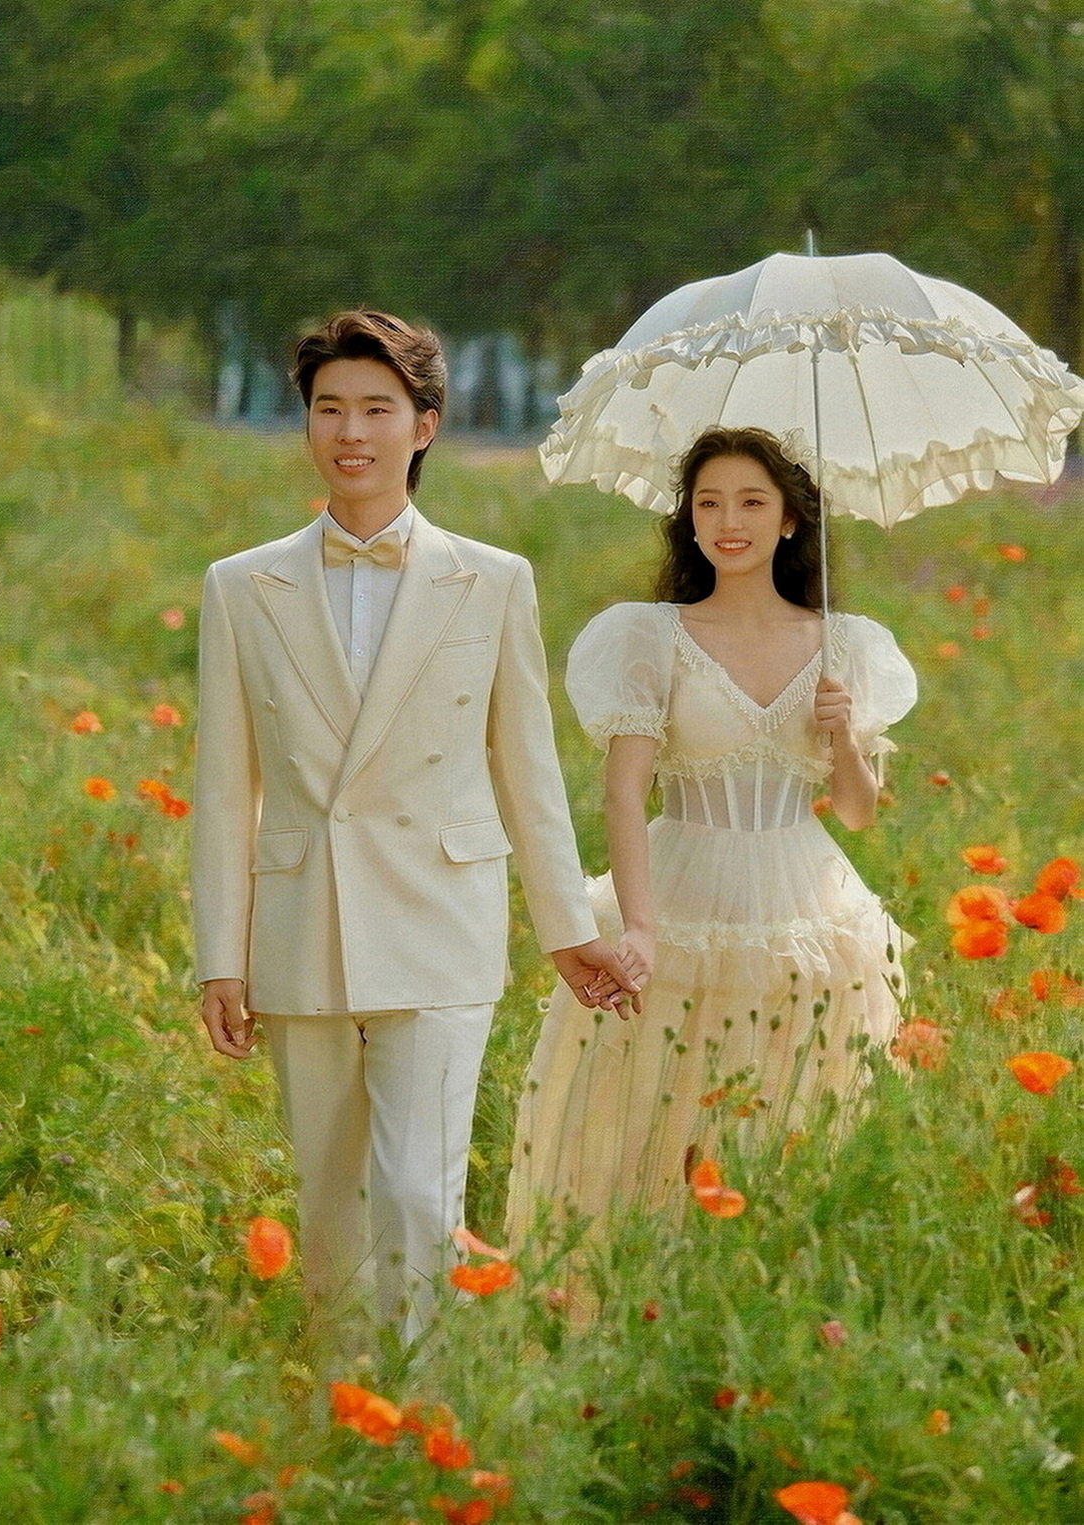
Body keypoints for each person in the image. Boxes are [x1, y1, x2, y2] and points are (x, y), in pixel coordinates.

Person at [191, 309, 634, 1350]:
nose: (351, 432)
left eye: (377, 409)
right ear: (307, 422)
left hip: (441, 922)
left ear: (424, 425)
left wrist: (568, 928)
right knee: (329, 1204)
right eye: (329, 408)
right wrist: (220, 957)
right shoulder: (239, 585)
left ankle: (423, 1408)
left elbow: (527, 770)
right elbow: (222, 788)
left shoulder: (494, 579)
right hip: (300, 927)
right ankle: (344, 1412)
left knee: (419, 1197)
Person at [505, 425, 917, 1238]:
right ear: (688, 518)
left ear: (790, 519)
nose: (730, 521)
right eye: (710, 503)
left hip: (806, 893)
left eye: (752, 502)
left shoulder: (843, 643)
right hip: (681, 877)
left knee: (792, 1113)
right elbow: (624, 792)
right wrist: (641, 925)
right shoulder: (651, 636)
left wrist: (841, 735)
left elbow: (860, 810)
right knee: (656, 1116)